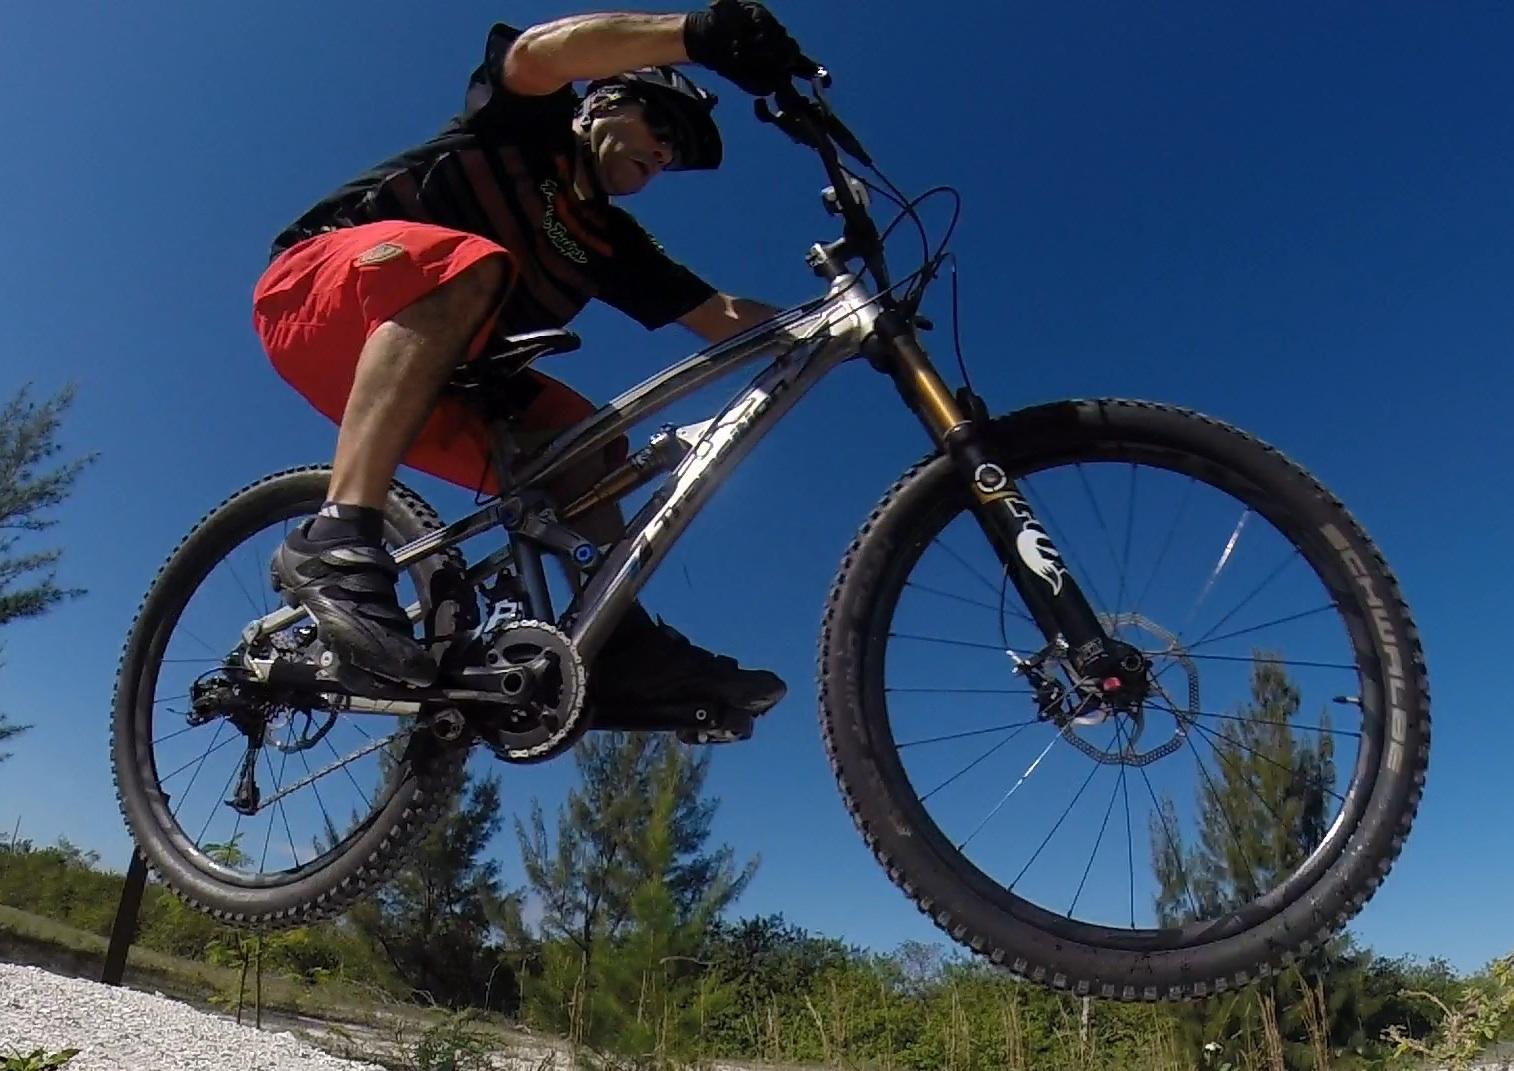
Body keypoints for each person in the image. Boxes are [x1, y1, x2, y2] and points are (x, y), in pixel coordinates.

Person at [252, 3, 808, 718]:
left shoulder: (610, 239)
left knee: (589, 433)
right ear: (602, 101)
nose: (665, 154)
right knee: (472, 264)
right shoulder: (529, 124)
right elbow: (543, 55)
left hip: (434, 384)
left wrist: (845, 316)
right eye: (661, 128)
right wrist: (696, 36)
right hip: (317, 295)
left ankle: (614, 637)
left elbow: (722, 317)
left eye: (677, 155)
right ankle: (335, 535)